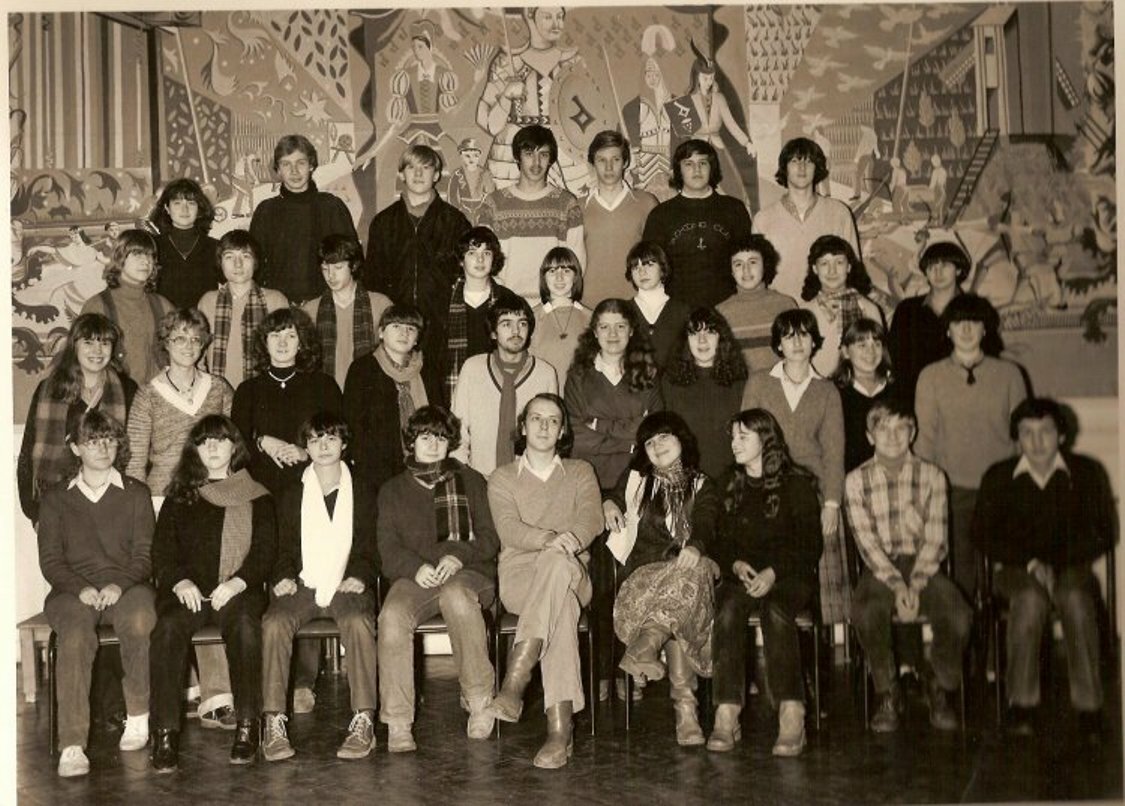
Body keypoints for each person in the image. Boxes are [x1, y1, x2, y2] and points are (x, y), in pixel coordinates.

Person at [973, 398, 1115, 742]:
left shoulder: (1086, 472)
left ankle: (1090, 708)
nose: (1037, 442)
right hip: (1016, 569)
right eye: (1027, 433)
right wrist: (1031, 563)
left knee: (1075, 599)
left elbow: (1102, 532)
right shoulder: (999, 476)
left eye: (1046, 432)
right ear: (1016, 438)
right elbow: (982, 534)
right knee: (1029, 600)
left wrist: (1055, 563)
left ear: (1062, 435)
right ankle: (1022, 705)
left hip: (1071, 567)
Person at [149, 415, 275, 772]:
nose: (213, 448)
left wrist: (237, 582)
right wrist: (179, 581)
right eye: (205, 442)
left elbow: (265, 551)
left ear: (235, 447)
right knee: (167, 629)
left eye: (221, 440)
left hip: (237, 589)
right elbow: (162, 551)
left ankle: (248, 726)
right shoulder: (179, 496)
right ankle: (165, 733)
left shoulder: (257, 495)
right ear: (195, 450)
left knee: (246, 626)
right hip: (187, 592)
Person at [486, 394, 604, 768]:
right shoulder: (502, 477)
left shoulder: (580, 471)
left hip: (573, 570)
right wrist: (549, 540)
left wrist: (564, 544)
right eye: (536, 418)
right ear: (523, 427)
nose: (543, 426)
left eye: (553, 420)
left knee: (558, 567)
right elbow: (508, 528)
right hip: (521, 578)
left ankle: (516, 678)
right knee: (561, 610)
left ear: (562, 430)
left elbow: (592, 519)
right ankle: (559, 731)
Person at [38, 410, 156, 777]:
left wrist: (119, 584)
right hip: (72, 591)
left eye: (109, 440)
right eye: (92, 442)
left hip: (127, 585)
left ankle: (138, 717)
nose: (103, 448)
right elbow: (51, 561)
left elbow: (144, 556)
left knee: (140, 618)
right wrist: (82, 588)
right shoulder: (55, 499)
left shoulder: (136, 493)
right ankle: (72, 744)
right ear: (75, 448)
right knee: (75, 635)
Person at [377, 406, 500, 751]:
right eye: (425, 437)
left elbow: (490, 538)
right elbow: (387, 547)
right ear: (411, 442)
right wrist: (415, 567)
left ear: (451, 442)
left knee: (456, 597)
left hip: (469, 573)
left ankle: (479, 700)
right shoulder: (392, 490)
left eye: (441, 438)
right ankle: (398, 720)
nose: (433, 445)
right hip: (416, 577)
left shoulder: (471, 481)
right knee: (392, 615)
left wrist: (457, 555)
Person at [846, 399, 972, 733]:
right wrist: (897, 584)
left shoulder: (932, 476)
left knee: (958, 615)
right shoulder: (856, 480)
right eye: (883, 429)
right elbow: (867, 544)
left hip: (923, 566)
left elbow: (936, 539)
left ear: (912, 433)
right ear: (869, 436)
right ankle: (888, 692)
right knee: (866, 612)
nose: (892, 436)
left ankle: (939, 685)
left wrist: (915, 583)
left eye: (901, 428)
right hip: (880, 568)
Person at [701, 409, 822, 757]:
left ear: (765, 440)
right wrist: (736, 565)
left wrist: (773, 573)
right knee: (726, 610)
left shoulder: (796, 484)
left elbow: (809, 544)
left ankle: (791, 713)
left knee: (776, 611)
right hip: (743, 577)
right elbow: (719, 541)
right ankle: (727, 712)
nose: (734, 444)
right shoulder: (728, 482)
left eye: (743, 437)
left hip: (788, 576)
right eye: (733, 437)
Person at [260, 411, 380, 761]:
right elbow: (281, 547)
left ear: (344, 444)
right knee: (274, 622)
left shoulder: (365, 490)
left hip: (347, 581)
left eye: (331, 438)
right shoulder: (290, 493)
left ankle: (364, 719)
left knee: (358, 621)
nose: (323, 446)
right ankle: (273, 721)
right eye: (315, 439)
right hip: (304, 582)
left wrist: (360, 574)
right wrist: (283, 576)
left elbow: (372, 545)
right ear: (306, 447)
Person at [602, 411, 718, 746]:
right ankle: (686, 713)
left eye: (664, 437)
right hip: (644, 580)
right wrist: (608, 502)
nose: (657, 446)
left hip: (689, 576)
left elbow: (708, 520)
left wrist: (696, 546)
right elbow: (613, 495)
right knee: (677, 600)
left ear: (682, 439)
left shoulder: (703, 484)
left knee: (686, 581)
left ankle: (645, 647)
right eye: (649, 442)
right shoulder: (636, 481)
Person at [566, 298, 662, 698]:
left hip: (636, 485)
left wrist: (601, 425)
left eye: (620, 326)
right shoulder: (579, 376)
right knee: (602, 583)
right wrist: (628, 431)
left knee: (632, 581)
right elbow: (576, 438)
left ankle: (628, 669)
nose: (612, 334)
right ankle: (602, 671)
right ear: (594, 332)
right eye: (604, 326)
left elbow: (653, 436)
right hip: (591, 488)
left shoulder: (646, 375)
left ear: (631, 331)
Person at [914, 293, 1027, 597]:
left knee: (1008, 581)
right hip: (952, 494)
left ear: (985, 329)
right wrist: (924, 498)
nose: (966, 329)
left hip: (1001, 490)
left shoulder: (1009, 374)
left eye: (974, 322)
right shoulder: (930, 376)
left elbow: (1023, 438)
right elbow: (925, 442)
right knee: (962, 581)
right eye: (958, 322)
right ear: (947, 330)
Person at [741, 309, 848, 626]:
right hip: (767, 487)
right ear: (778, 345)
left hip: (812, 492)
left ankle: (826, 639)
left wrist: (831, 503)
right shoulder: (759, 382)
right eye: (789, 336)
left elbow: (834, 452)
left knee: (823, 555)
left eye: (804, 335)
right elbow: (745, 440)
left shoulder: (827, 391)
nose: (797, 342)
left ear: (815, 342)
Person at [364, 143, 470, 398]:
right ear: (401, 174)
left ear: (437, 174)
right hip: (397, 326)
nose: (419, 174)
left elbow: (465, 278)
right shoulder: (383, 223)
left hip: (441, 327)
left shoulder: (455, 222)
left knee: (437, 396)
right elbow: (373, 281)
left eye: (426, 167)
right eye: (411, 167)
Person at [19, 313, 137, 526]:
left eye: (105, 343)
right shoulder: (50, 389)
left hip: (112, 503)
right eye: (88, 342)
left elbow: (136, 453)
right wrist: (35, 513)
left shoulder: (128, 390)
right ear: (74, 346)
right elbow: (28, 450)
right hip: (58, 504)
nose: (97, 351)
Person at [126, 308, 236, 505]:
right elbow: (135, 462)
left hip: (213, 494)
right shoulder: (147, 395)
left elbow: (236, 443)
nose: (189, 346)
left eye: (195, 339)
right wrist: (141, 506)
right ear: (166, 343)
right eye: (180, 339)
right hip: (163, 496)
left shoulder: (219, 387)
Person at [231, 308, 343, 496]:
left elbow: (340, 438)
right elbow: (234, 445)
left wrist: (306, 453)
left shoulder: (324, 385)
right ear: (265, 342)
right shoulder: (247, 390)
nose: (282, 342)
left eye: (291, 336)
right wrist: (261, 442)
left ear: (301, 343)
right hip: (260, 489)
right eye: (275, 335)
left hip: (312, 482)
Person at [476, 7, 588, 190]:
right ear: (530, 16)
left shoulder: (573, 61)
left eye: (560, 17)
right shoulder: (507, 62)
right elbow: (490, 124)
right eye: (548, 17)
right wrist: (506, 96)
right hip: (511, 155)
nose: (556, 24)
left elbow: (589, 116)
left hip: (566, 152)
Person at [452, 290, 558, 477]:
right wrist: (464, 477)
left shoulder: (545, 374)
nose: (516, 331)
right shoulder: (473, 368)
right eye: (506, 324)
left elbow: (551, 435)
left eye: (522, 324)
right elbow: (457, 430)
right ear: (493, 333)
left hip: (527, 478)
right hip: (478, 477)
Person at [477, 124, 585, 305]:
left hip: (552, 305)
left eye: (543, 155)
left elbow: (577, 261)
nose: (536, 163)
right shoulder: (493, 204)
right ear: (517, 156)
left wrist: (559, 301)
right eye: (529, 154)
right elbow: (482, 260)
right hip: (506, 305)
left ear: (551, 159)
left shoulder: (566, 204)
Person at [642, 139, 752, 309]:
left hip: (728, 307)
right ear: (678, 170)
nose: (697, 169)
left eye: (703, 163)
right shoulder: (661, 215)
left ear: (712, 168)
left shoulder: (734, 209)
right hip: (677, 309)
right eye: (689, 164)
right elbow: (651, 269)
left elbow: (748, 261)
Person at [249, 133, 358, 304]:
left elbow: (352, 261)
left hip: (327, 303)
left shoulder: (332, 207)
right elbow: (254, 265)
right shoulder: (266, 211)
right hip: (278, 306)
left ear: (311, 165)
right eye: (286, 164)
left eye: (301, 163)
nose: (294, 171)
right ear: (278, 170)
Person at [753, 138, 860, 301]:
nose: (802, 168)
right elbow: (757, 278)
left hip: (829, 309)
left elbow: (854, 270)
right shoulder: (763, 220)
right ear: (784, 168)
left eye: (809, 162)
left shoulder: (839, 213)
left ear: (817, 168)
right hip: (781, 311)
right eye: (795, 161)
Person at [343, 304, 435, 492]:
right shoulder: (362, 369)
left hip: (423, 465)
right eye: (396, 326)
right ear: (381, 332)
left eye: (411, 328)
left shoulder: (428, 370)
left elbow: (437, 419)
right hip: (375, 471)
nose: (404, 333)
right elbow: (352, 423)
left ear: (417, 338)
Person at [79, 229, 175, 384]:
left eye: (150, 255)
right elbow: (81, 363)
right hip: (113, 393)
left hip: (157, 394)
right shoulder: (97, 307)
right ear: (119, 258)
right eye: (137, 254)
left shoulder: (163, 306)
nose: (146, 261)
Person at [661, 307, 748, 479]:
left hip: (731, 476)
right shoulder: (670, 381)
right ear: (686, 340)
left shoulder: (739, 380)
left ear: (721, 338)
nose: (702, 340)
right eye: (694, 333)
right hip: (685, 476)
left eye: (710, 332)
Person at [198, 230, 289, 390]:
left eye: (245, 256)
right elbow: (198, 356)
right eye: (229, 257)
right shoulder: (208, 301)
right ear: (220, 262)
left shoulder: (276, 300)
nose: (238, 264)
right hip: (217, 392)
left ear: (255, 261)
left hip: (264, 392)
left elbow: (287, 356)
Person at [302, 234, 392, 390]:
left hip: (370, 392)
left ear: (354, 266)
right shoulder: (310, 310)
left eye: (338, 268)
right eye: (325, 269)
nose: (330, 276)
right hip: (325, 392)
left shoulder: (381, 304)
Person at [886, 241, 969, 406]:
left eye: (945, 265)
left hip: (963, 397)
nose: (938, 272)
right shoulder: (907, 309)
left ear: (959, 270)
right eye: (931, 267)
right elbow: (895, 356)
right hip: (915, 397)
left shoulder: (974, 309)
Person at [581, 131, 658, 306]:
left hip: (636, 303)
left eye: (615, 159)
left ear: (625, 162)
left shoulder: (646, 203)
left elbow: (657, 260)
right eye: (602, 160)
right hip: (589, 304)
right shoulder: (578, 207)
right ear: (592, 163)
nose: (609, 167)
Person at [799, 234, 884, 378]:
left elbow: (879, 359)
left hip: (859, 384)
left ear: (849, 266)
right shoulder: (804, 312)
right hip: (818, 387)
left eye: (839, 262)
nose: (832, 271)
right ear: (814, 268)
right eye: (824, 263)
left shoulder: (869, 309)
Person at [716, 234, 797, 374]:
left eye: (753, 262)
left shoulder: (785, 305)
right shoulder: (721, 312)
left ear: (765, 265)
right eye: (738, 264)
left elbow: (797, 356)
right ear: (731, 271)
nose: (746, 270)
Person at [442, 225, 506, 405]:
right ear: (461, 260)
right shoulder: (443, 301)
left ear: (494, 259)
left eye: (486, 253)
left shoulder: (507, 300)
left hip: (497, 389)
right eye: (472, 253)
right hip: (453, 392)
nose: (480, 259)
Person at [834, 318, 898, 474]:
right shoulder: (834, 393)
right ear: (846, 352)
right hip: (850, 477)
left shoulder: (897, 388)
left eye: (877, 344)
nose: (871, 351)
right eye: (862, 345)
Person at [147, 178, 221, 309]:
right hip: (164, 319)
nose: (184, 209)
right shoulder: (152, 246)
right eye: (177, 203)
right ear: (167, 208)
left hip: (204, 320)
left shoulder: (216, 247)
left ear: (199, 209)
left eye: (191, 203)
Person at [529, 246, 592, 391]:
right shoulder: (531, 318)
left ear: (576, 277)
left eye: (566, 271)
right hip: (543, 396)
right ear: (544, 277)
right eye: (552, 271)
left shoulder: (592, 319)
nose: (559, 277)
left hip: (580, 398)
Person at [623, 241, 692, 370]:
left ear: (662, 268)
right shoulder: (623, 311)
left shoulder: (682, 311)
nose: (642, 272)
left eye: (649, 265)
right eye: (635, 267)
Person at [447, 137, 495, 221]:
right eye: (467, 156)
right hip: (463, 209)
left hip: (481, 208)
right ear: (461, 156)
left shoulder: (485, 173)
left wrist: (487, 207)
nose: (471, 159)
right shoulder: (458, 174)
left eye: (475, 155)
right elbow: (452, 195)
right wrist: (457, 210)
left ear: (480, 156)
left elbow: (491, 192)